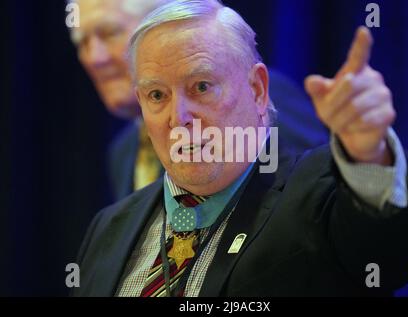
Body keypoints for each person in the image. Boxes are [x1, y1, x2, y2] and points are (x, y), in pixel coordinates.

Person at [72, 0, 408, 297]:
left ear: (259, 90)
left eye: (201, 87)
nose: (178, 117)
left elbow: (389, 250)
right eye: (156, 96)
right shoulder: (108, 228)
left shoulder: (321, 190)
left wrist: (368, 156)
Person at [69, 0, 328, 200]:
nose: (94, 58)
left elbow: (316, 199)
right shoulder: (123, 152)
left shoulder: (260, 97)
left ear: (168, 22)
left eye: (109, 33)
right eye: (83, 43)